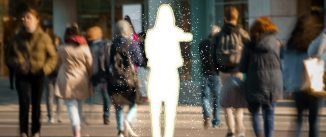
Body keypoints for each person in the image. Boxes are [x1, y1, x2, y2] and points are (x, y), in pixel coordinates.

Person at [6, 7, 58, 137]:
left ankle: (36, 131)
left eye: (28, 17)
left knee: (36, 105)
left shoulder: (44, 37)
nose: (25, 20)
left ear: (37, 20)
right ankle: (23, 131)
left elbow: (53, 56)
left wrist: (45, 69)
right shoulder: (16, 37)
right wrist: (17, 63)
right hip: (21, 75)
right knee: (24, 103)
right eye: (23, 17)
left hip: (38, 75)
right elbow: (8, 56)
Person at [145, 4, 193, 137]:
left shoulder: (151, 33)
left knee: (155, 113)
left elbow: (148, 53)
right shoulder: (175, 32)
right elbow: (189, 37)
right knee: (170, 112)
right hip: (171, 75)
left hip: (155, 74)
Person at [240, 16, 283, 137]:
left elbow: (242, 67)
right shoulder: (276, 43)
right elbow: (280, 62)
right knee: (269, 112)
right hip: (274, 82)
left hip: (255, 82)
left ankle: (259, 135)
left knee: (255, 113)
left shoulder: (249, 45)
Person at [283, 13, 324, 137]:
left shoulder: (291, 43)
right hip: (314, 86)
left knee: (298, 120)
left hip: (297, 87)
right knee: (313, 122)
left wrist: (287, 86)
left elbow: (287, 67)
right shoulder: (317, 41)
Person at [214, 6, 249, 137]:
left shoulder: (219, 34)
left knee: (227, 103)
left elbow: (213, 55)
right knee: (239, 103)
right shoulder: (241, 32)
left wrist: (218, 69)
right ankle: (241, 131)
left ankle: (231, 131)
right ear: (236, 17)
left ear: (225, 18)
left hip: (224, 72)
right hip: (238, 71)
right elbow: (250, 47)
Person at [55, 24, 93, 137]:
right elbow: (90, 64)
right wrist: (89, 76)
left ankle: (76, 129)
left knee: (71, 105)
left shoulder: (62, 48)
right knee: (80, 105)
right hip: (81, 78)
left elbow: (57, 63)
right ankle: (80, 129)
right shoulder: (85, 48)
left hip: (67, 78)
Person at [107, 20, 140, 137]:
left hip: (115, 80)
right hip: (130, 80)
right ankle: (128, 120)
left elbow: (110, 63)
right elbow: (139, 61)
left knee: (118, 105)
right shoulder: (132, 44)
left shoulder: (113, 45)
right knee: (133, 104)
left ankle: (120, 131)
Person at [86, 26, 111, 125]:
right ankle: (106, 116)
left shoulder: (89, 46)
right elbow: (108, 60)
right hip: (103, 75)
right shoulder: (104, 45)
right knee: (106, 97)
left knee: (91, 95)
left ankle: (88, 115)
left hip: (93, 75)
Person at [199, 25, 222, 128]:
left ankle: (207, 114)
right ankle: (216, 122)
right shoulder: (218, 43)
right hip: (215, 74)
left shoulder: (202, 43)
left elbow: (201, 57)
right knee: (216, 98)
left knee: (205, 96)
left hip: (204, 73)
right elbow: (219, 59)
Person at [43, 26, 64, 124]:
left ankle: (52, 116)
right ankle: (55, 116)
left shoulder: (46, 50)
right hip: (55, 74)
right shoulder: (61, 50)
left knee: (51, 96)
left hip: (51, 74)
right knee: (56, 96)